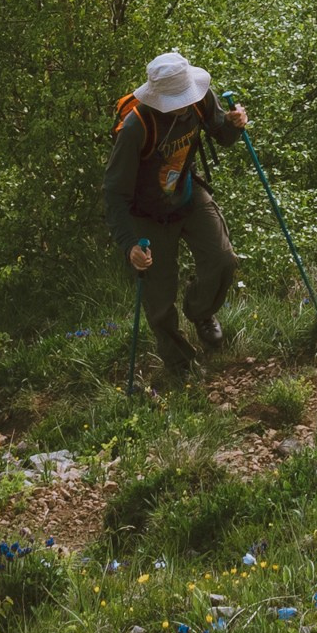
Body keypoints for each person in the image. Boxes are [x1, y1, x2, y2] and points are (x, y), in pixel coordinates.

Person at [106, 51, 247, 385]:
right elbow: (114, 193)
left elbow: (222, 136)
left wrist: (235, 124)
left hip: (186, 192)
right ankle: (180, 364)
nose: (185, 105)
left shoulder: (199, 98)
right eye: (176, 101)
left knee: (223, 259)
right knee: (159, 300)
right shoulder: (136, 127)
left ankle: (200, 312)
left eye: (186, 97)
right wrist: (130, 245)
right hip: (147, 214)